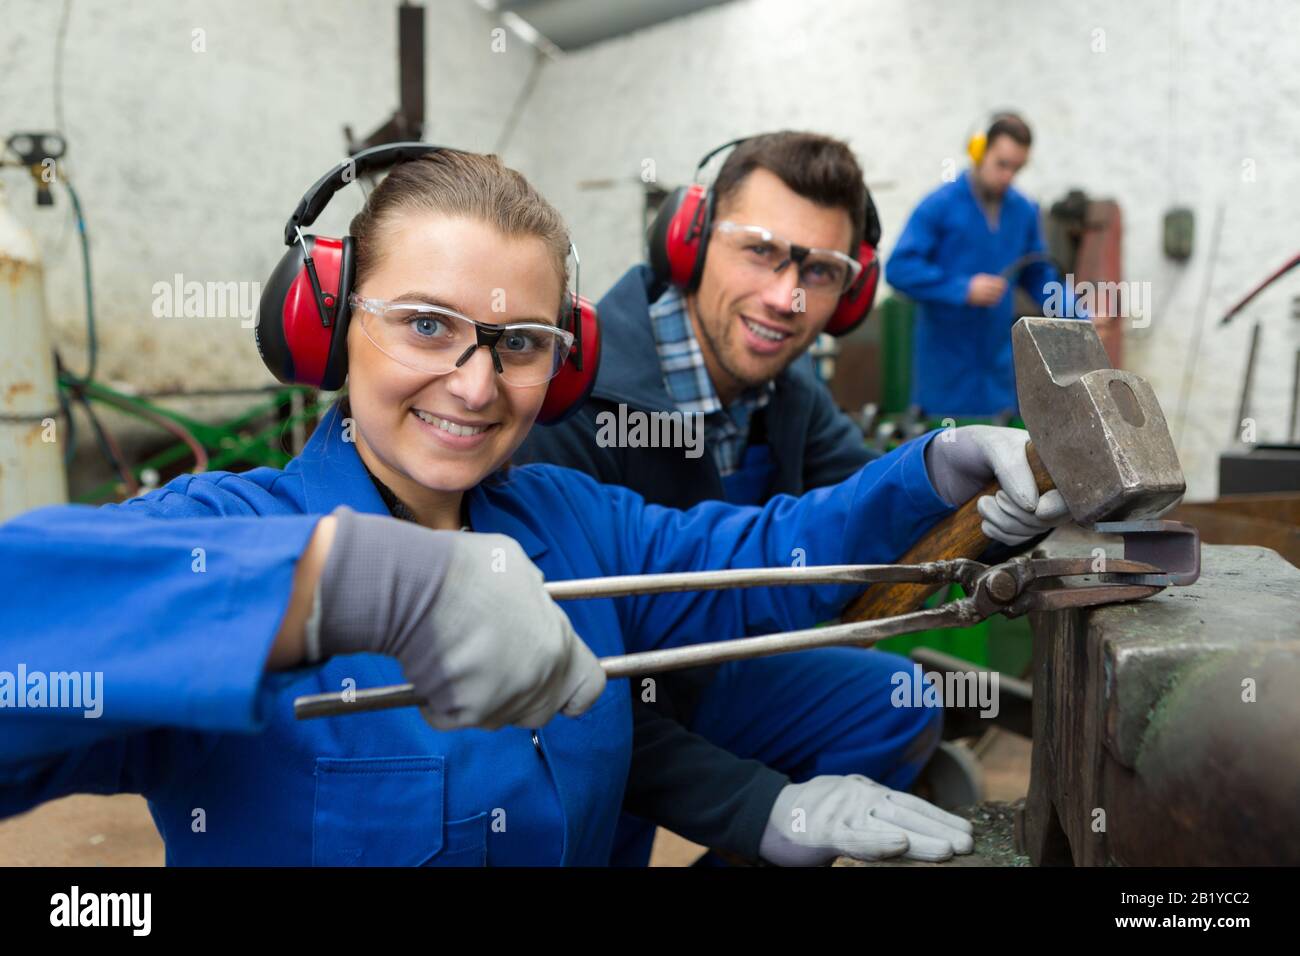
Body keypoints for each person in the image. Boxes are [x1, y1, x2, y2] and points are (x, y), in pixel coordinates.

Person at [1, 147, 1061, 866]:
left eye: (518, 343)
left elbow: (763, 553)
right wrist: (342, 590)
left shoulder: (574, 521)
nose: (474, 385)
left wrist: (934, 469)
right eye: (425, 324)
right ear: (326, 324)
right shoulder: (223, 535)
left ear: (565, 363)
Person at [520, 131, 1064, 866]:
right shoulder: (572, 398)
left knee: (894, 703)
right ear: (688, 242)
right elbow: (560, 696)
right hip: (595, 702)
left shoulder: (787, 393)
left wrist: (986, 505)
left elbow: (876, 514)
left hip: (706, 675)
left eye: (821, 270)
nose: (786, 297)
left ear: (853, 293)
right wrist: (760, 807)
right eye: (760, 250)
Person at [886, 112, 1087, 418]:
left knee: (999, 441)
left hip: (997, 371)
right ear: (979, 151)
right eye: (1001, 164)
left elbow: (1038, 275)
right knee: (946, 442)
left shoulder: (1023, 211)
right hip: (945, 369)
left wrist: (1080, 315)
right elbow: (899, 268)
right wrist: (962, 289)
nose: (1008, 176)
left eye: (1016, 168)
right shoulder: (939, 205)